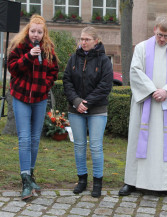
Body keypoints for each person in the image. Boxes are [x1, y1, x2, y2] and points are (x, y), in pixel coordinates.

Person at [118, 15, 167, 196]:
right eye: (159, 35)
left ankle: (162, 184)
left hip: (165, 106)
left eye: (166, 36)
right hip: (144, 104)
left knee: (161, 145)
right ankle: (132, 182)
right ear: (154, 30)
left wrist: (166, 91)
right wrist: (151, 91)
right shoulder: (142, 48)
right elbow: (135, 71)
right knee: (138, 141)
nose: (162, 39)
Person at [7, 14, 59, 200]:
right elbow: (12, 68)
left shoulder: (48, 49)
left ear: (44, 33)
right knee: (24, 139)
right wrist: (28, 57)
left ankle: (30, 175)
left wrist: (45, 85)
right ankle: (25, 181)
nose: (35, 35)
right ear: (28, 31)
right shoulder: (19, 46)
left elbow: (54, 70)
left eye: (39, 32)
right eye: (33, 31)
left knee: (35, 139)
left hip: (39, 98)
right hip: (21, 97)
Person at [63, 27, 113, 198]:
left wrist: (88, 102)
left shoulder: (104, 60)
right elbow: (67, 81)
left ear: (96, 41)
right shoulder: (74, 58)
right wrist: (77, 102)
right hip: (75, 109)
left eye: (87, 39)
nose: (83, 42)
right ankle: (82, 180)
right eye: (82, 39)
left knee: (96, 146)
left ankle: (97, 182)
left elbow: (105, 85)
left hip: (97, 110)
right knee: (79, 146)